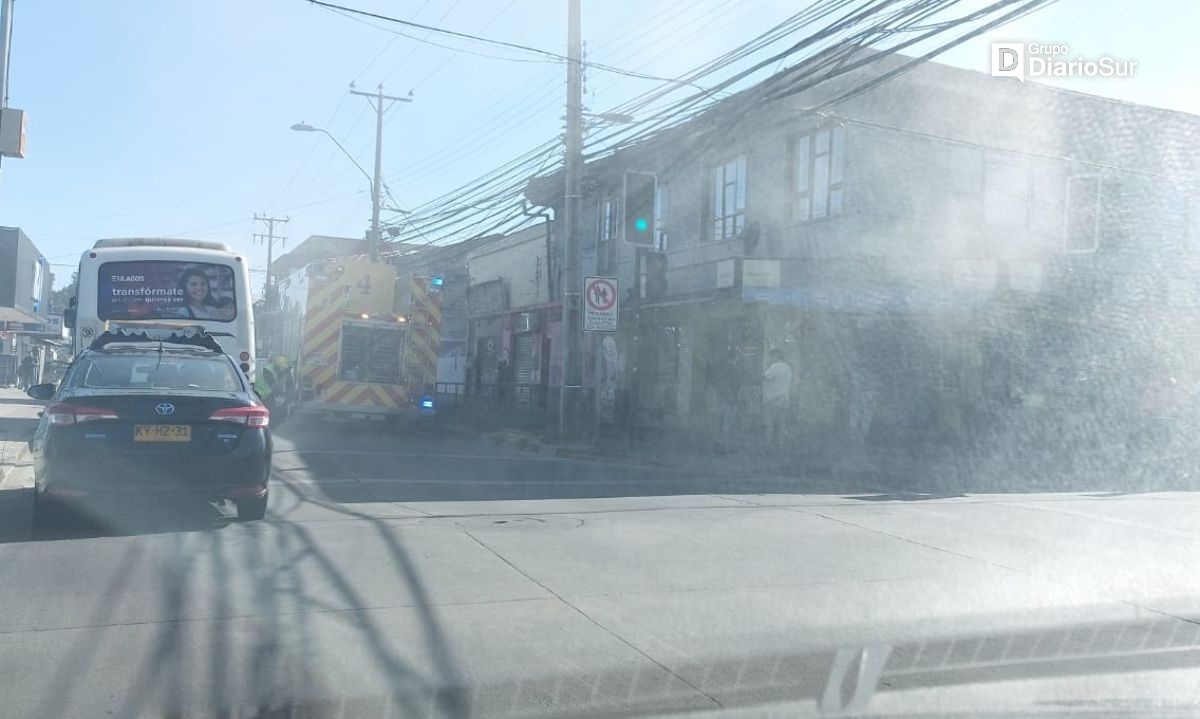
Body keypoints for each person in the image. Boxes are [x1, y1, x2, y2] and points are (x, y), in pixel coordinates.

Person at [762, 349, 793, 451]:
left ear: (776, 356)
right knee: (781, 424)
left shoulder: (774, 367)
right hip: (784, 399)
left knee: (769, 424)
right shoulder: (788, 367)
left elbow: (765, 377)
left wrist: (766, 366)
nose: (769, 359)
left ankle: (767, 446)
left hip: (772, 399)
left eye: (770, 356)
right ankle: (780, 445)